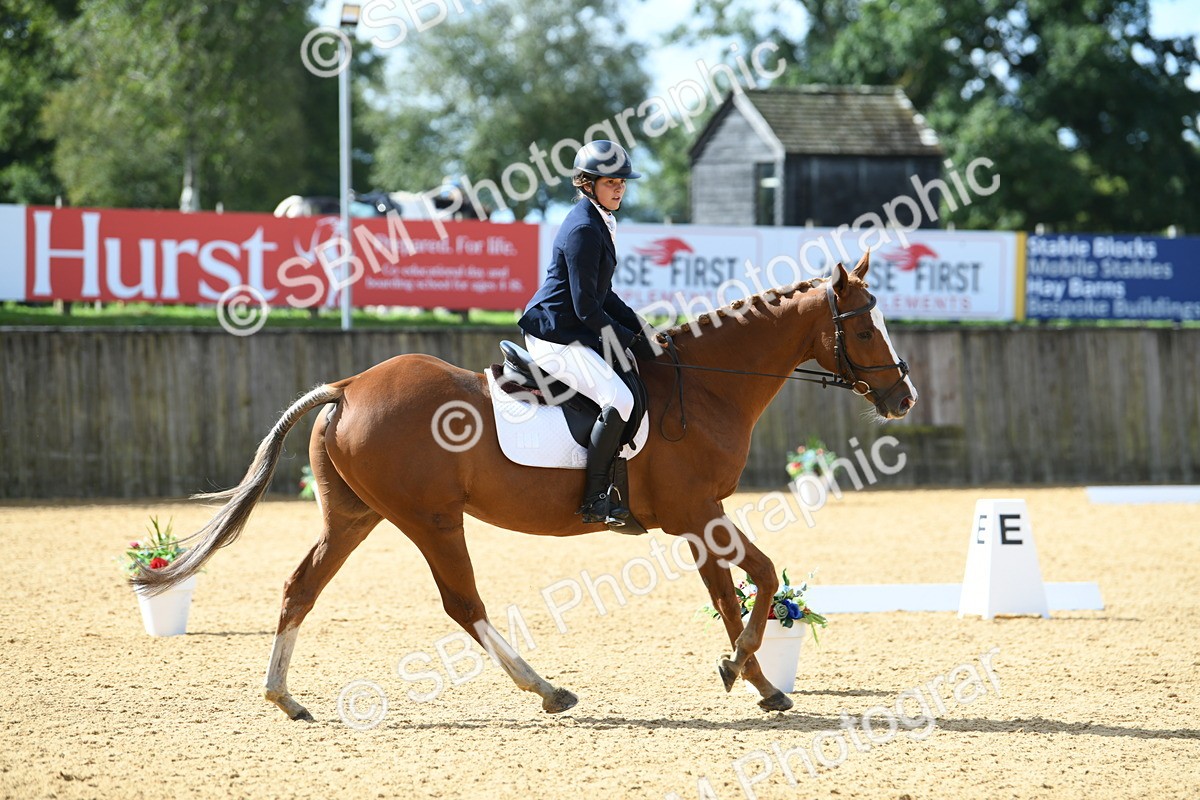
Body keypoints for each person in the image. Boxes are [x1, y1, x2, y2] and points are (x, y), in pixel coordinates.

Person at [518, 140, 659, 526]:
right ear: (587, 183)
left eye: (622, 182)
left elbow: (604, 294)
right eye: (611, 181)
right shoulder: (584, 228)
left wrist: (642, 329)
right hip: (555, 333)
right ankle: (595, 496)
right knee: (620, 398)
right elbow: (585, 307)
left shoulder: (598, 221)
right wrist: (626, 339)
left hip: (574, 328)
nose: (619, 189)